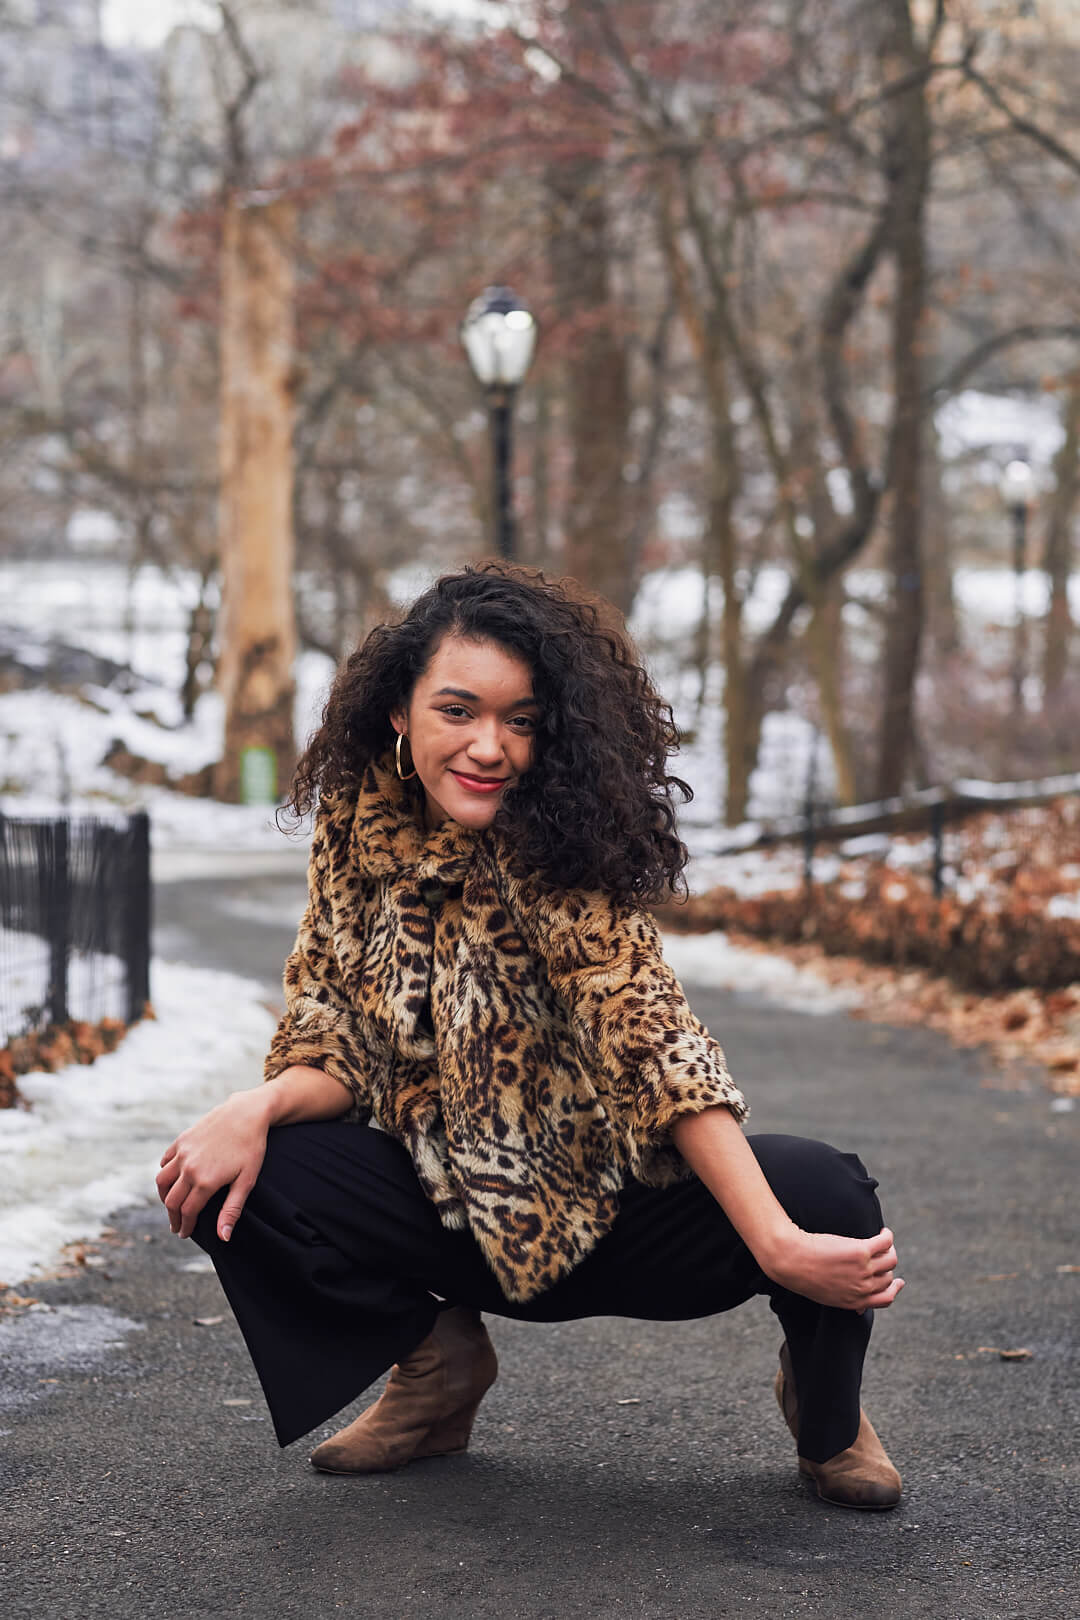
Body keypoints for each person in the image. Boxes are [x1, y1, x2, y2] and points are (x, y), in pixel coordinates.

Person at [156, 563, 904, 1509]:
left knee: (830, 1192)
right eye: (459, 711)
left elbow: (655, 1046)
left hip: (616, 1213)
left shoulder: (561, 846)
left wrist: (777, 1243)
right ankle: (435, 1368)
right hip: (446, 1213)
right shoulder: (356, 837)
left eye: (521, 720)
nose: (489, 747)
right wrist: (253, 1106)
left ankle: (827, 1417)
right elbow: (335, 1035)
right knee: (242, 1163)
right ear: (399, 711)